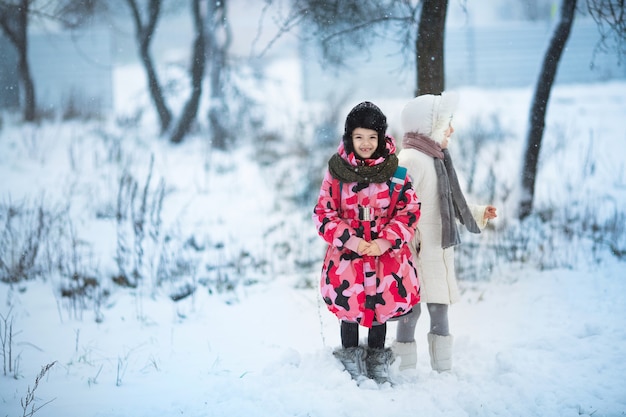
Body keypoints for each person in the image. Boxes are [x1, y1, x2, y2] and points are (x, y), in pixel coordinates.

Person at [312, 101, 421, 385]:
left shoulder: (396, 174)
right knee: (350, 305)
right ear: (350, 137)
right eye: (359, 137)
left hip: (386, 259)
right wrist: (353, 241)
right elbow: (324, 213)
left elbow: (409, 211)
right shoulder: (336, 173)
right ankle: (349, 354)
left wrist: (385, 241)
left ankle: (376, 355)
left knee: (380, 307)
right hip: (347, 259)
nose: (366, 143)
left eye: (372, 137)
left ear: (382, 138)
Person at [392, 92, 497, 372]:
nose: (451, 129)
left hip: (437, 248)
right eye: (446, 123)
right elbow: (393, 204)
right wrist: (403, 239)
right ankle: (404, 367)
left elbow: (447, 202)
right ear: (430, 127)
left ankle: (443, 369)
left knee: (439, 307)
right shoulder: (410, 160)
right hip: (415, 249)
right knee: (410, 309)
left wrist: (476, 212)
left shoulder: (436, 158)